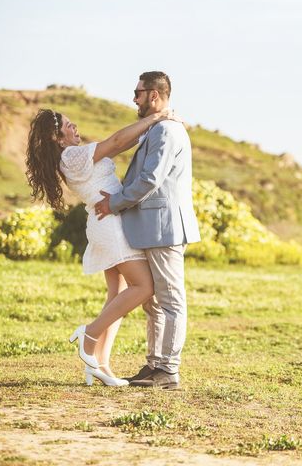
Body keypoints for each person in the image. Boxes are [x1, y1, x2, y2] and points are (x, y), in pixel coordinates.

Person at [25, 106, 178, 386]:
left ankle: (100, 366)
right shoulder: (72, 155)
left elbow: (121, 144)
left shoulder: (74, 156)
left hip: (107, 221)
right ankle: (90, 334)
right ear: (58, 139)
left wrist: (150, 126)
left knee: (116, 295)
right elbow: (116, 142)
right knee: (145, 287)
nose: (75, 128)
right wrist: (156, 118)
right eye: (68, 126)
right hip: (110, 225)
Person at [94, 71, 201, 390]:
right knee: (154, 302)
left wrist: (115, 203)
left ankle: (168, 370)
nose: (134, 98)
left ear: (154, 95)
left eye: (138, 92)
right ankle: (155, 365)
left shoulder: (166, 131)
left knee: (170, 299)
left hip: (164, 227)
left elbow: (150, 180)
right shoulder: (158, 128)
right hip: (153, 227)